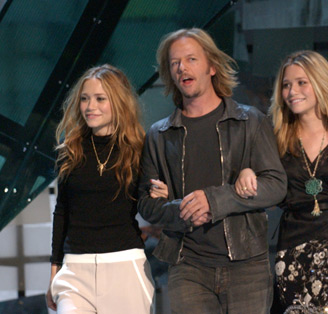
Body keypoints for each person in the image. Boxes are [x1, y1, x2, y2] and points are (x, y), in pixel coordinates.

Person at [137, 28, 287, 314]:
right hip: (187, 267)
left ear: (212, 66)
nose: (182, 68)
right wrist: (183, 209)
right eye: (174, 62)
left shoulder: (249, 121)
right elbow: (147, 204)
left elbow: (276, 185)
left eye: (191, 59)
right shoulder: (158, 134)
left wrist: (215, 200)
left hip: (247, 267)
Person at [235, 50, 328, 314]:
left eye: (301, 82)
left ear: (321, 83)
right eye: (286, 85)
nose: (292, 91)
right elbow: (261, 185)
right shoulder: (275, 139)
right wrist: (246, 171)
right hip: (293, 250)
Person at [45, 64, 156, 313]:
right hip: (75, 270)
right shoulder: (70, 151)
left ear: (118, 101)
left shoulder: (140, 149)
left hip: (125, 266)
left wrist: (160, 193)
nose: (89, 106)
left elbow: (150, 204)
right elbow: (61, 212)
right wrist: (54, 272)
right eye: (84, 99)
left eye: (99, 99)